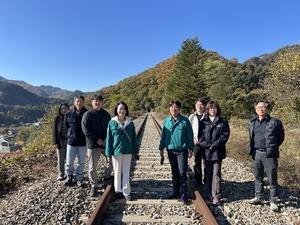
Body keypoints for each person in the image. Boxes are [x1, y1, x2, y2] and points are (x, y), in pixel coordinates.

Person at [247, 99, 284, 212]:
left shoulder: (275, 122)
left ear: (267, 109)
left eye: (263, 107)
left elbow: (280, 138)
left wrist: (272, 147)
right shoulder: (252, 122)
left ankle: (273, 200)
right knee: (258, 176)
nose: (261, 109)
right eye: (258, 107)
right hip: (256, 153)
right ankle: (258, 196)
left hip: (269, 154)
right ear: (255, 109)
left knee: (272, 178)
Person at [159, 100, 194, 203]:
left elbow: (189, 136)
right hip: (171, 150)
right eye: (172, 107)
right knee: (174, 172)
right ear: (169, 109)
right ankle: (175, 191)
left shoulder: (184, 121)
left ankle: (183, 193)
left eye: (176, 107)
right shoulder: (166, 121)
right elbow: (163, 136)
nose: (173, 109)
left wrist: (190, 148)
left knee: (182, 172)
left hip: (182, 150)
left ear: (179, 108)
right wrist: (161, 148)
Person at [106, 101, 139, 201]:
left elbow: (134, 138)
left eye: (124, 109)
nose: (122, 111)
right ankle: (118, 191)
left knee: (126, 172)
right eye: (120, 109)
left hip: (128, 151)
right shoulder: (112, 122)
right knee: (117, 172)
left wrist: (136, 150)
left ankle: (126, 191)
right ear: (116, 110)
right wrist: (108, 154)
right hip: (116, 151)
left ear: (126, 110)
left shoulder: (130, 122)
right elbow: (109, 139)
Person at [199, 101, 230, 206]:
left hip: (217, 151)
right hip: (207, 151)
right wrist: (207, 145)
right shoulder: (202, 122)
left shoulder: (223, 121)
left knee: (216, 173)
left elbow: (224, 136)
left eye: (214, 108)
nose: (212, 110)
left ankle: (216, 195)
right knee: (208, 173)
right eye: (211, 108)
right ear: (207, 110)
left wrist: (215, 145)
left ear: (218, 109)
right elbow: (200, 137)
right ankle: (209, 192)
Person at [82, 94, 113, 197]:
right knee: (92, 167)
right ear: (92, 102)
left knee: (111, 160)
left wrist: (105, 140)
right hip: (93, 145)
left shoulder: (106, 114)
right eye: (95, 101)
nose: (97, 103)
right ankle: (93, 185)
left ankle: (107, 176)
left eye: (99, 101)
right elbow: (86, 130)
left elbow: (110, 128)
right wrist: (97, 140)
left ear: (102, 102)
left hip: (105, 143)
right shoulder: (87, 115)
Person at [64, 95, 88, 187]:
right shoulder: (69, 113)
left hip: (83, 142)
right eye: (77, 101)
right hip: (72, 141)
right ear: (74, 102)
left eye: (81, 101)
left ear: (83, 102)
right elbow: (66, 125)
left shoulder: (87, 113)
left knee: (81, 162)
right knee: (69, 161)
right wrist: (70, 134)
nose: (79, 103)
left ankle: (79, 178)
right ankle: (69, 176)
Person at [189, 98, 207, 187]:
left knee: (206, 162)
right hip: (195, 143)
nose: (199, 107)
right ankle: (198, 179)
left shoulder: (207, 117)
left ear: (204, 106)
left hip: (206, 143)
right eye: (197, 105)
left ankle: (207, 180)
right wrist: (192, 140)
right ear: (195, 106)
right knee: (196, 162)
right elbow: (189, 130)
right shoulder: (192, 117)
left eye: (201, 105)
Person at [52, 103, 69, 181]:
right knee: (60, 158)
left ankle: (69, 173)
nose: (64, 110)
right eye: (62, 108)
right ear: (60, 110)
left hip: (69, 141)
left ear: (68, 109)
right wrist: (55, 142)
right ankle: (61, 174)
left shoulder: (70, 117)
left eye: (65, 108)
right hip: (60, 141)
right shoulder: (57, 118)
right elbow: (54, 131)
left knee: (69, 158)